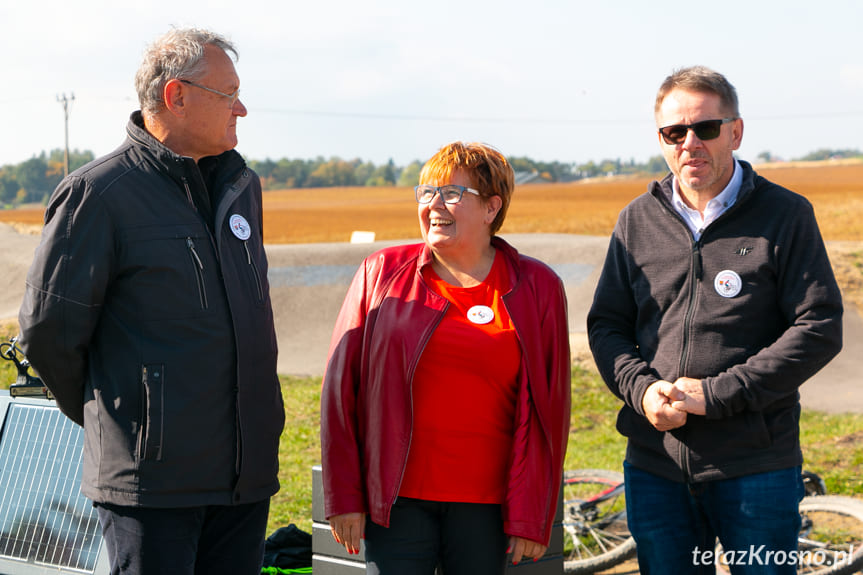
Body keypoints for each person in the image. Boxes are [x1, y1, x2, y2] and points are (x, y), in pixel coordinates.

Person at [17, 28, 285, 575]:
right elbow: (48, 333)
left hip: (243, 477)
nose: (243, 108)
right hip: (153, 486)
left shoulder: (242, 187)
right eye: (227, 94)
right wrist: (126, 421)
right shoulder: (98, 194)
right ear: (176, 96)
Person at [587, 65, 843, 574]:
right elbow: (607, 325)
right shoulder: (636, 220)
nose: (690, 144)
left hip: (755, 469)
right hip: (655, 466)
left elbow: (819, 326)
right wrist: (641, 391)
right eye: (674, 132)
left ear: (735, 132)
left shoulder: (785, 215)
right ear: (661, 139)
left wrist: (719, 394)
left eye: (705, 128)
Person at [320, 141, 571, 575]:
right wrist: (344, 496)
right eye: (426, 192)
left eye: (452, 194)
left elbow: (552, 412)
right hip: (396, 506)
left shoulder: (538, 287)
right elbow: (339, 393)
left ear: (492, 208)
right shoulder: (380, 273)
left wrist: (534, 514)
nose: (434, 204)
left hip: (488, 511)